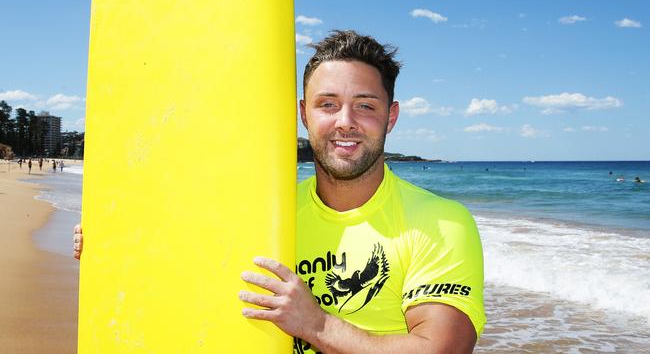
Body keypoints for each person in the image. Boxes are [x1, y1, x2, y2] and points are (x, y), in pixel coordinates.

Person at [73, 30, 485, 354]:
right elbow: (185, 258)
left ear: (390, 116)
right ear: (302, 112)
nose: (345, 122)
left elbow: (443, 349)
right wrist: (113, 243)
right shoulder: (267, 212)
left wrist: (316, 324)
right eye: (327, 104)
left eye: (365, 105)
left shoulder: (439, 222)